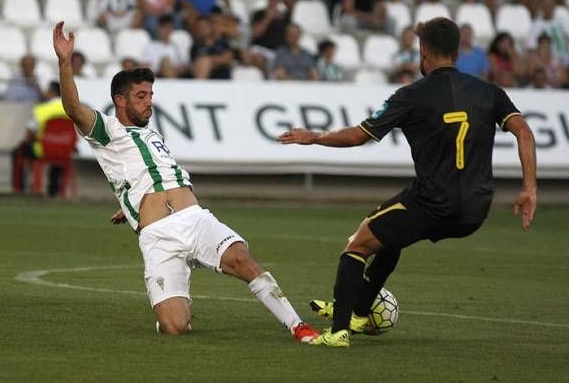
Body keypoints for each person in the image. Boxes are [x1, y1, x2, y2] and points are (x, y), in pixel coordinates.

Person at [51, 20, 319, 342]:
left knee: (241, 258)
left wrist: (130, 202)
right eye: (140, 95)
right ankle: (174, 309)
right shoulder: (107, 131)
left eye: (150, 94)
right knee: (174, 327)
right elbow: (73, 108)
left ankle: (297, 325)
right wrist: (65, 63)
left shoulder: (152, 135)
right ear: (120, 101)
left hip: (194, 218)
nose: (149, 101)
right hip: (158, 237)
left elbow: (153, 173)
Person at [278, 17, 537, 347]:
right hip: (475, 208)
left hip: (432, 202)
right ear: (457, 53)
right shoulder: (489, 92)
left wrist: (313, 137)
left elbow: (359, 136)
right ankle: (358, 311)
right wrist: (529, 188)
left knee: (356, 246)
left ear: (423, 50)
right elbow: (524, 132)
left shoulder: (411, 95)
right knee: (388, 234)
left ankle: (339, 330)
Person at [11, 81, 67, 195]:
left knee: (17, 151)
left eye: (47, 90)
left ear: (52, 92)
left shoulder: (42, 109)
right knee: (58, 150)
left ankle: (19, 189)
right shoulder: (70, 110)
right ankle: (53, 189)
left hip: (42, 150)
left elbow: (29, 132)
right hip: (65, 151)